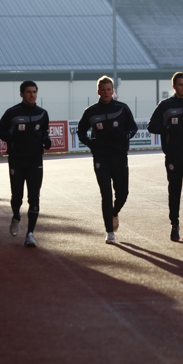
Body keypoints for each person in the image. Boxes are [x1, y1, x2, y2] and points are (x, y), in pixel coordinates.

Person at [77, 75, 138, 244]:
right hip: (101, 158)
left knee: (123, 193)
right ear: (98, 91)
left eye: (108, 89)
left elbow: (133, 127)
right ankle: (109, 232)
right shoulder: (90, 111)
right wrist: (90, 143)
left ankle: (114, 213)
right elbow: (80, 131)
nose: (106, 93)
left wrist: (127, 135)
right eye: (102, 90)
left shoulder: (122, 108)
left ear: (113, 91)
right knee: (106, 194)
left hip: (119, 156)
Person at [148, 72, 183, 242]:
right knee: (174, 191)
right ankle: (175, 225)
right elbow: (152, 126)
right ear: (174, 86)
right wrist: (168, 129)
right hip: (173, 156)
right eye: (180, 84)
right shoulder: (165, 106)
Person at [0, 80, 51, 247]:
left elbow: (44, 133)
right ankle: (16, 216)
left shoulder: (42, 113)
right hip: (16, 159)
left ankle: (30, 234)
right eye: (28, 92)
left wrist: (46, 140)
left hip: (35, 160)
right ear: (21, 94)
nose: (32, 95)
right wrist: (13, 138)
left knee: (34, 198)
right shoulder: (12, 112)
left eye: (34, 92)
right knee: (17, 197)